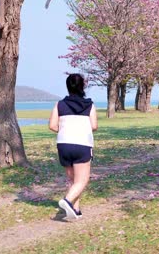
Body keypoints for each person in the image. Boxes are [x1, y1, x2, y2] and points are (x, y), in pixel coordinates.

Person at [49, 73, 98, 220]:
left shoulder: (60, 104)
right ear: (82, 86)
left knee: (72, 180)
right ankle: (67, 201)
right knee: (82, 180)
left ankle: (75, 210)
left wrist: (65, 130)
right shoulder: (89, 105)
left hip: (64, 144)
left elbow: (52, 125)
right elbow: (94, 126)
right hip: (82, 144)